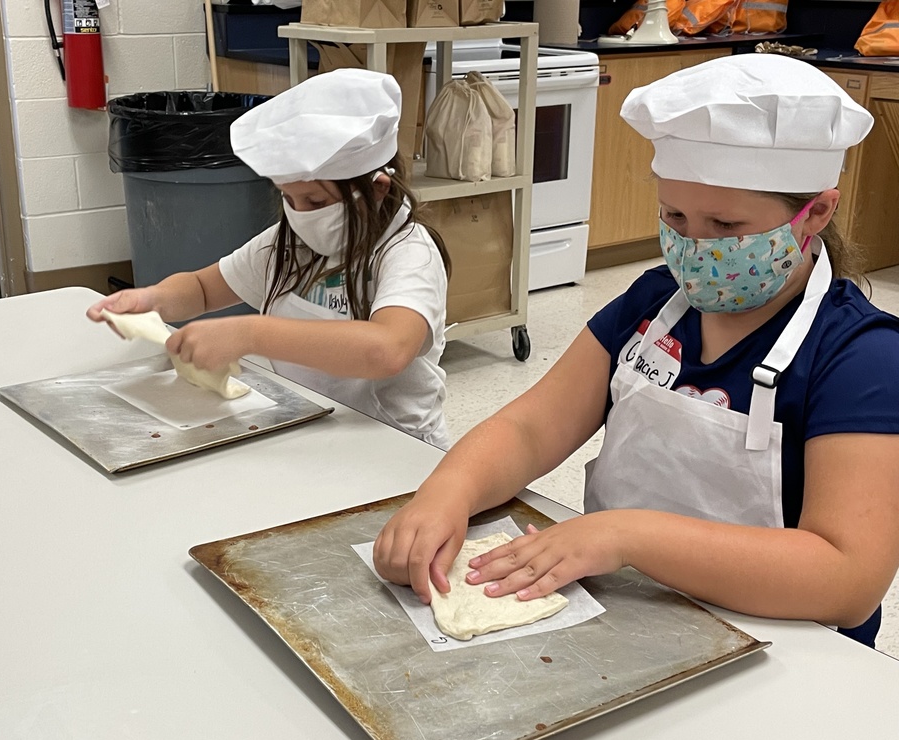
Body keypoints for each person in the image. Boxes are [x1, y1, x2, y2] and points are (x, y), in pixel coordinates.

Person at [373, 54, 899, 647]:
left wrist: (626, 537)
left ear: (817, 213)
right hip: (627, 617)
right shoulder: (656, 304)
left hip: (783, 650)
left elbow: (847, 577)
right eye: (674, 215)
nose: (695, 246)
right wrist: (447, 493)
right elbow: (530, 429)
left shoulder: (861, 357)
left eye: (726, 225)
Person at [87, 69, 452, 449]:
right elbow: (202, 288)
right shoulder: (290, 244)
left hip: (397, 447)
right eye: (288, 199)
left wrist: (249, 334)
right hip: (314, 430)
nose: (301, 214)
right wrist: (152, 300)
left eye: (315, 201)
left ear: (376, 189)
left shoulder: (409, 253)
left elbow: (386, 350)